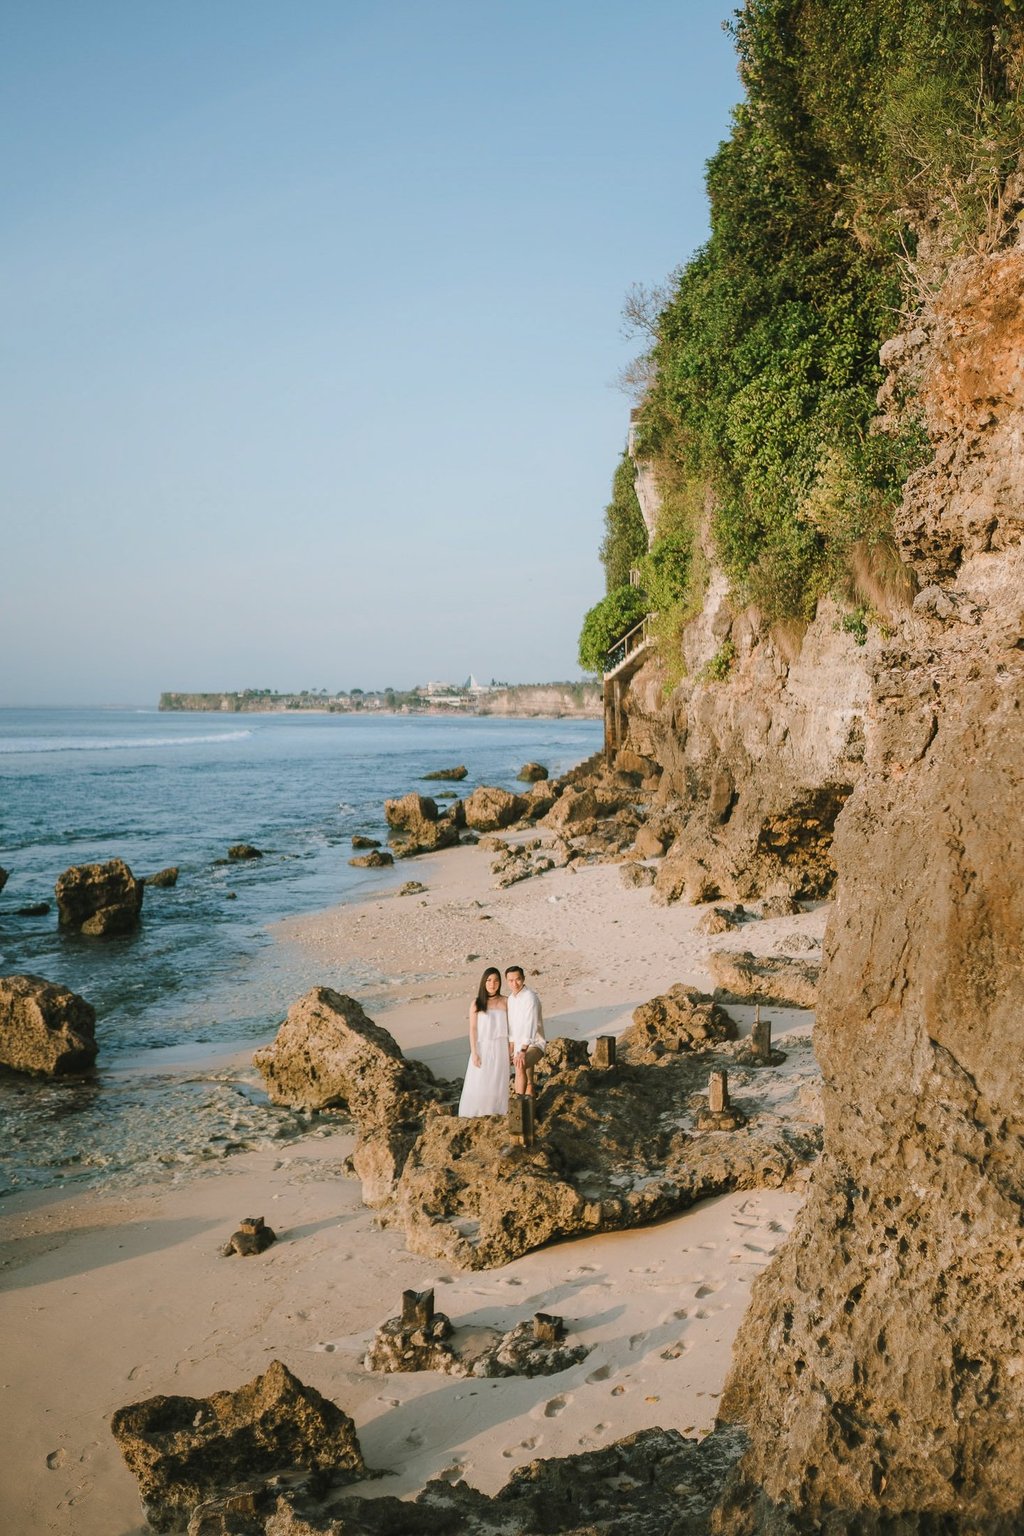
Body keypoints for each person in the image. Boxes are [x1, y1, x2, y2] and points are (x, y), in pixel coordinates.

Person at [457, 966, 510, 1117]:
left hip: (501, 1047)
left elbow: (512, 1027)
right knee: (480, 1081)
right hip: (483, 1046)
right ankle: (477, 1113)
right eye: (489, 980)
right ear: (483, 982)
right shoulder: (476, 1003)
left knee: (498, 1081)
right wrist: (474, 1052)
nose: (492, 984)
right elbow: (473, 1029)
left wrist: (512, 1048)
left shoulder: (506, 1002)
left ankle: (497, 1112)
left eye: (496, 980)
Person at [505, 964, 545, 1097]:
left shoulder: (530, 997)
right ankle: (529, 1094)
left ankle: (518, 1101)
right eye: (511, 980)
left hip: (534, 1044)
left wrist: (522, 1050)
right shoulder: (511, 999)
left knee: (519, 1065)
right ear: (507, 981)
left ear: (523, 979)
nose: (514, 983)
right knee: (528, 1083)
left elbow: (531, 1026)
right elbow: (512, 1025)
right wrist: (511, 1047)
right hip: (519, 1046)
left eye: (518, 979)